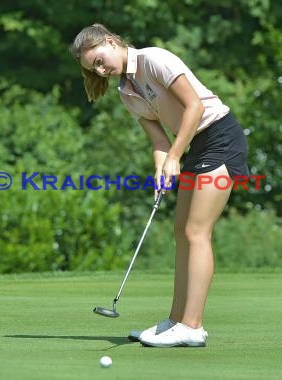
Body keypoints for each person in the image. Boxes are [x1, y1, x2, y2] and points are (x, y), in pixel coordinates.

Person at [70, 23, 249, 348]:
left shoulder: (154, 59)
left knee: (197, 231)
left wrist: (175, 156)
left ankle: (192, 326)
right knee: (181, 231)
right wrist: (162, 168)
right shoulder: (127, 91)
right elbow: (158, 140)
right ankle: (176, 321)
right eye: (93, 68)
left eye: (98, 60)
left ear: (110, 41)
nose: (101, 70)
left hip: (220, 137)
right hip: (196, 145)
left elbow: (194, 107)